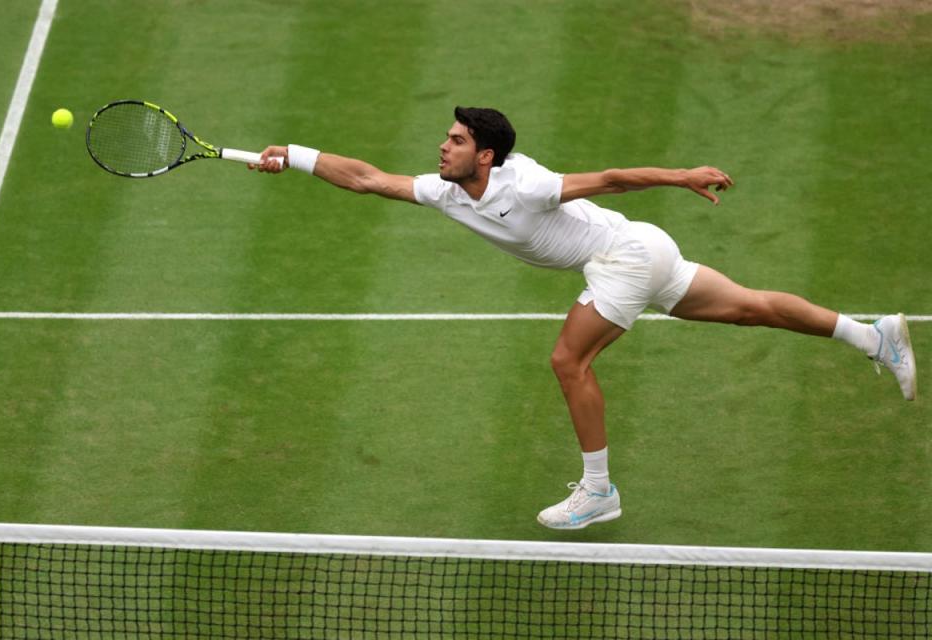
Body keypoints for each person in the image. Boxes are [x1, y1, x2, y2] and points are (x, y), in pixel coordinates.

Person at [251, 107, 917, 530]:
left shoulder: (526, 182)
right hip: (646, 251)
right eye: (446, 138)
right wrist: (295, 152)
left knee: (569, 361)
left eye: (455, 141)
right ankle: (872, 335)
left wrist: (680, 174)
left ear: (486, 154)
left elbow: (609, 178)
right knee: (751, 309)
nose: (443, 147)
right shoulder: (446, 192)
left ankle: (598, 491)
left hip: (624, 255)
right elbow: (367, 178)